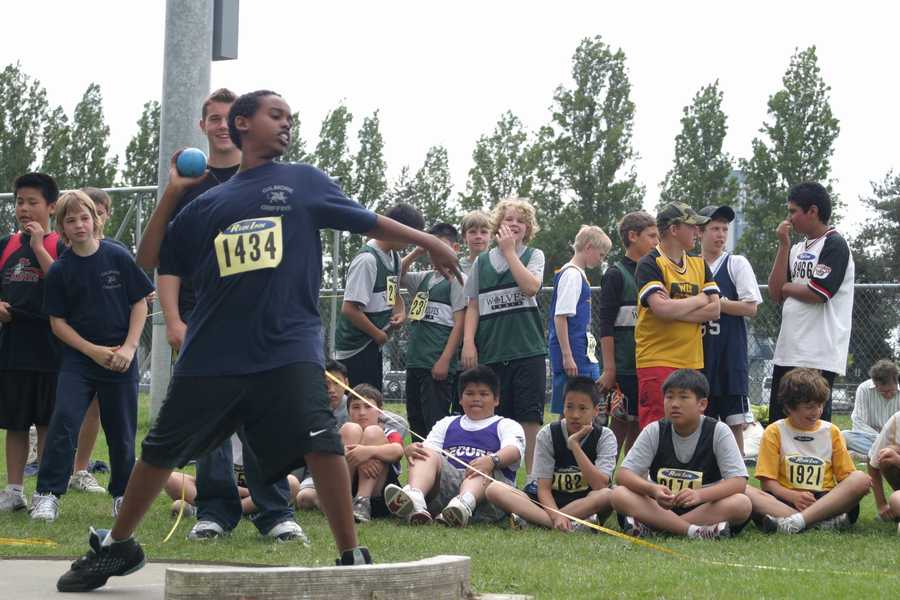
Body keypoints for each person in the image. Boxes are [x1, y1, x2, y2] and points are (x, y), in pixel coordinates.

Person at [56, 89, 461, 592]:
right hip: (213, 352)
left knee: (320, 439)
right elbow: (150, 258)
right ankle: (118, 546)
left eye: (290, 117)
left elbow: (368, 220)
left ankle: (350, 554)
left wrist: (430, 240)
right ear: (242, 123)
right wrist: (173, 192)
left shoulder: (303, 182)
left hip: (288, 346)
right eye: (276, 115)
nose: (287, 123)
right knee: (160, 448)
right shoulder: (208, 203)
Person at [30, 191, 154, 522]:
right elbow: (58, 323)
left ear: (95, 219)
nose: (79, 225)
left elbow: (139, 303)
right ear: (62, 228)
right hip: (79, 361)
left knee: (122, 432)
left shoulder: (117, 255)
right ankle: (47, 494)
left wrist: (128, 348)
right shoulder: (60, 270)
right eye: (70, 221)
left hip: (120, 359)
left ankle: (123, 495)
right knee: (64, 421)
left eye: (84, 218)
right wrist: (91, 351)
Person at [461, 198, 545, 481]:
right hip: (493, 352)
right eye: (509, 219)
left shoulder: (534, 255)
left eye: (521, 221)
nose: (514, 224)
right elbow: (473, 305)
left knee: (529, 417)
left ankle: (532, 482)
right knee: (497, 419)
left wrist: (510, 252)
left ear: (528, 227)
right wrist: (468, 342)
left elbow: (531, 287)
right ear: (498, 224)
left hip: (527, 350)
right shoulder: (482, 261)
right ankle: (498, 481)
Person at [611, 369, 751, 539]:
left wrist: (699, 495)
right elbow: (623, 475)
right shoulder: (655, 430)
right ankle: (694, 531)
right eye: (669, 397)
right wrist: (653, 490)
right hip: (659, 506)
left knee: (742, 503)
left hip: (703, 507)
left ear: (702, 404)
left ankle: (656, 528)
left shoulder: (718, 431)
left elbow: (738, 482)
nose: (675, 404)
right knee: (618, 494)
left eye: (683, 397)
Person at [385, 365, 525, 527]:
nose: (476, 398)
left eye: (484, 394)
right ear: (460, 399)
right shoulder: (447, 423)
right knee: (424, 453)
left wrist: (492, 460)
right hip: (445, 492)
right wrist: (413, 450)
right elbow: (428, 453)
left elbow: (514, 451)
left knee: (480, 468)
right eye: (469, 394)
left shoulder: (506, 425)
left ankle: (462, 505)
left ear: (496, 400)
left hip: (487, 496)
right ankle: (416, 499)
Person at [0, 173, 65, 513]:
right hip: (13, 348)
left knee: (47, 423)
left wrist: (39, 246)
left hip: (51, 349)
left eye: (32, 202)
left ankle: (45, 492)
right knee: (15, 423)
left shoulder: (60, 245)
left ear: (51, 207)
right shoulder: (6, 245)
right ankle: (13, 490)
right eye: (19, 202)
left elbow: (64, 286)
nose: (24, 209)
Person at [767, 182, 855, 423]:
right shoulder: (796, 248)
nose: (789, 218)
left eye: (794, 211)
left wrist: (787, 287)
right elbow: (775, 292)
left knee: (813, 425)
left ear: (813, 211)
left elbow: (818, 292)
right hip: (788, 351)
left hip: (818, 354)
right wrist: (783, 245)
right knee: (779, 422)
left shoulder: (834, 244)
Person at [485, 376, 617, 531]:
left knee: (607, 495)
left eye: (582, 408)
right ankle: (560, 524)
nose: (575, 415)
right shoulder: (548, 434)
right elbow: (543, 489)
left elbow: (600, 485)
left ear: (595, 410)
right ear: (563, 408)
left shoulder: (604, 436)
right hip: (547, 502)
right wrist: (556, 516)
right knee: (494, 489)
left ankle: (536, 521)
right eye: (569, 407)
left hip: (585, 503)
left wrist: (575, 446)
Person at [747, 369, 871, 534]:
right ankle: (816, 522)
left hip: (825, 500)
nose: (817, 412)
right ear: (789, 407)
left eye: (820, 405)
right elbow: (768, 483)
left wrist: (854, 488)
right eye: (809, 407)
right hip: (785, 499)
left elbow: (846, 477)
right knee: (744, 489)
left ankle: (795, 521)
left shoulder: (832, 431)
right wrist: (792, 496)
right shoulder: (774, 431)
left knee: (860, 479)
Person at [634, 203, 719, 430]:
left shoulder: (699, 264)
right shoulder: (650, 263)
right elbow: (661, 309)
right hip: (656, 360)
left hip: (691, 362)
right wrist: (700, 299)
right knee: (657, 430)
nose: (697, 232)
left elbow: (715, 310)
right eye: (692, 227)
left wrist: (673, 307)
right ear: (674, 229)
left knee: (688, 429)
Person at [334, 203, 424, 389]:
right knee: (359, 401)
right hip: (355, 349)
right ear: (396, 229)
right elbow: (349, 309)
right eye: (409, 235)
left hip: (374, 343)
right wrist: (378, 335)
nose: (410, 241)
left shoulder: (394, 258)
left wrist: (401, 312)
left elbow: (393, 294)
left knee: (373, 399)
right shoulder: (367, 260)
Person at [68, 186, 122, 496]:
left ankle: (80, 469)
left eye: (96, 214)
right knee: (64, 408)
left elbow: (135, 294)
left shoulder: (116, 252)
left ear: (104, 216)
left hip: (108, 347)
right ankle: (56, 471)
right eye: (73, 218)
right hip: (72, 346)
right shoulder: (66, 254)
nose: (86, 223)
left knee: (95, 409)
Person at [697, 205, 763, 456]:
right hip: (698, 355)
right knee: (699, 424)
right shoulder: (690, 266)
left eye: (725, 229)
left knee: (734, 422)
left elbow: (750, 307)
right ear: (700, 232)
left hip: (729, 357)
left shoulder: (736, 263)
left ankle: (737, 472)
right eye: (715, 228)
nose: (721, 234)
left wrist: (716, 303)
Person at [598, 211, 658, 456]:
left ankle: (632, 476)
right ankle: (604, 474)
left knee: (640, 427)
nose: (657, 242)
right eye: (651, 236)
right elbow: (605, 325)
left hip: (648, 364)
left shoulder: (655, 271)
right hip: (624, 367)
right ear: (633, 236)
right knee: (619, 425)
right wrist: (610, 368)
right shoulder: (616, 274)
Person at [400, 223, 467, 438]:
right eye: (432, 247)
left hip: (436, 362)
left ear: (454, 249)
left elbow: (459, 324)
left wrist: (445, 360)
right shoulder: (424, 278)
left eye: (441, 246)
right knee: (416, 421)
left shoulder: (457, 280)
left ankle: (437, 460)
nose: (435, 252)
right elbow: (397, 272)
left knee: (435, 423)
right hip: (415, 361)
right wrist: (417, 250)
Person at [547, 225, 611, 415]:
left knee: (587, 405)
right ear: (589, 247)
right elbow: (560, 317)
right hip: (574, 356)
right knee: (574, 408)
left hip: (582, 354)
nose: (601, 260)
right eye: (601, 255)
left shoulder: (577, 275)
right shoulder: (572, 275)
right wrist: (567, 356)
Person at [340, 384, 404, 522]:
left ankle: (362, 501)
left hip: (379, 494)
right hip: (347, 492)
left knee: (373, 432)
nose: (362, 412)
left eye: (368, 406)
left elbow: (398, 451)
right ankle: (342, 500)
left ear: (380, 411)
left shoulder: (389, 431)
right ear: (348, 411)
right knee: (350, 429)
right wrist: (357, 457)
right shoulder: (346, 431)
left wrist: (367, 452)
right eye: (356, 407)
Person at [163, 435, 253, 519]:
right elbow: (213, 481)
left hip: (252, 495)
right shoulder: (219, 434)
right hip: (222, 490)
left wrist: (249, 493)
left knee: (258, 499)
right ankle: (209, 508)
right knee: (171, 478)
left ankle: (208, 511)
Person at [842, 360, 900, 459]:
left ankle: (866, 456)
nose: (888, 395)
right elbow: (859, 423)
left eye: (891, 391)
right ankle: (885, 454)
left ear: (896, 382)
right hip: (871, 437)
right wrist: (881, 439)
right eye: (883, 392)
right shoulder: (864, 389)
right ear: (875, 383)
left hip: (895, 440)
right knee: (844, 436)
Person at [866, 409, 900, 529]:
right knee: (895, 499)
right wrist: (881, 505)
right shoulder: (897, 420)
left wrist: (898, 460)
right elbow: (873, 460)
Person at [459, 210, 491, 275]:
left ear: (492, 236)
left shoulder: (499, 264)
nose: (478, 236)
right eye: (472, 232)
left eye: (484, 232)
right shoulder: (458, 268)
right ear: (464, 236)